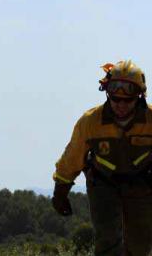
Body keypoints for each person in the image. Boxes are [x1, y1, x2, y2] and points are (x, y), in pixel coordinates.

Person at [52, 60, 152, 256]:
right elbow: (73, 157)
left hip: (143, 184)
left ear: (139, 97)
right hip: (103, 185)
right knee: (107, 241)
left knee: (140, 244)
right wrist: (60, 191)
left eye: (127, 100)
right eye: (115, 99)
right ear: (107, 94)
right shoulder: (90, 121)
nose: (121, 105)